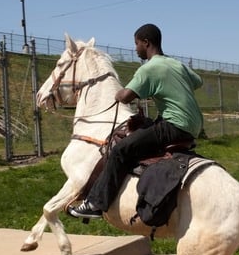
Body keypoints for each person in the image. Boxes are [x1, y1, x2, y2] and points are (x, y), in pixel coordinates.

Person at [67, 23, 204, 219]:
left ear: (146, 43)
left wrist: (116, 93)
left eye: (137, 43)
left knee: (120, 149)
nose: (135, 48)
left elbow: (125, 97)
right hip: (194, 125)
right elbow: (198, 82)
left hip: (174, 125)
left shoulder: (149, 69)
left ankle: (96, 204)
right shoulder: (177, 64)